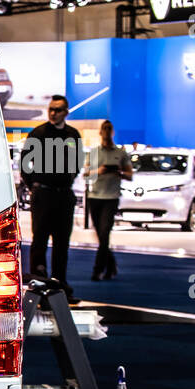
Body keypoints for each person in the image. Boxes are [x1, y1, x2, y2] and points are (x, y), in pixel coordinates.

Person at [20, 94, 86, 303]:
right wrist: (34, 186)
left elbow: (77, 163)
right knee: (39, 243)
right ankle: (38, 291)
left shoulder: (72, 135)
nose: (53, 113)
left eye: (58, 110)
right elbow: (25, 163)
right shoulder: (39, 133)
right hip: (44, 195)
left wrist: (68, 179)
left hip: (64, 195)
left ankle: (60, 288)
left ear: (65, 112)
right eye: (51, 109)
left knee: (61, 245)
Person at [84, 119, 133, 281]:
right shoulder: (94, 152)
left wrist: (119, 173)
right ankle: (111, 265)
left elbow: (130, 175)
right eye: (104, 128)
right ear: (100, 132)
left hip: (111, 198)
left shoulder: (120, 153)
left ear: (112, 132)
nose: (106, 131)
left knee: (104, 233)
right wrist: (100, 170)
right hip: (95, 197)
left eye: (109, 128)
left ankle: (97, 270)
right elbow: (86, 174)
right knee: (101, 236)